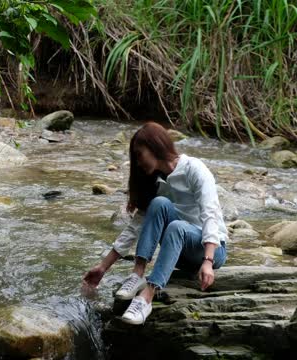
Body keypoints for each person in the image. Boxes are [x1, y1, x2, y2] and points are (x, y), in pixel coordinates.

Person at [82, 122, 228, 325]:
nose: (138, 163)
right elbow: (135, 226)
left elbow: (210, 213)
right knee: (159, 204)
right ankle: (137, 275)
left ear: (155, 147)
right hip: (178, 252)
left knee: (177, 227)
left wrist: (208, 261)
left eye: (139, 155)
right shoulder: (156, 182)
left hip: (210, 251)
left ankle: (147, 297)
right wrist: (103, 267)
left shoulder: (194, 169)